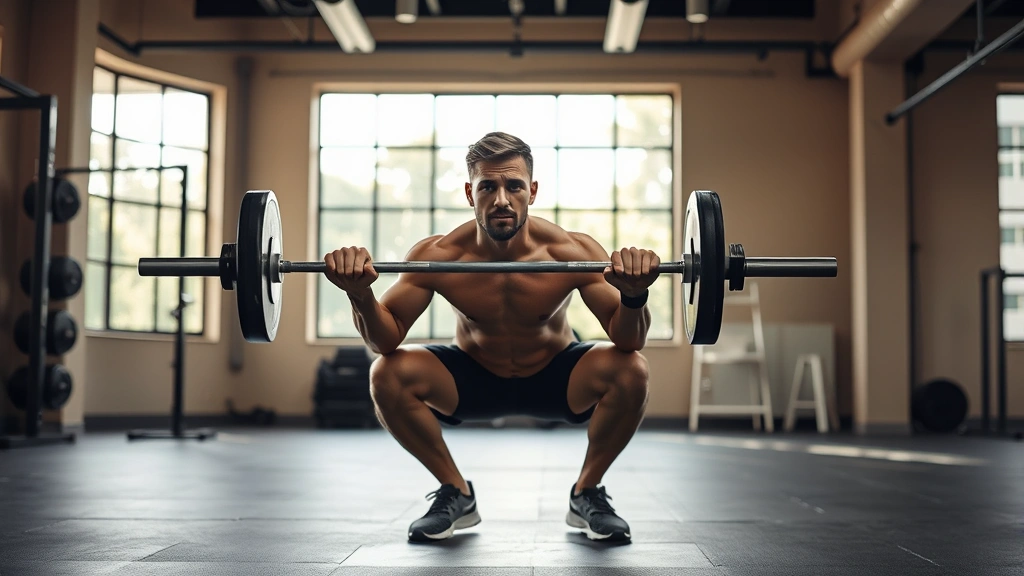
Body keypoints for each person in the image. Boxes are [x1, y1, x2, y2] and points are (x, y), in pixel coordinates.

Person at [323, 132, 659, 544]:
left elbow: (629, 341)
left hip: (555, 377)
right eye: (488, 186)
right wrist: (360, 294)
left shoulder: (570, 251)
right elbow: (386, 339)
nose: (501, 199)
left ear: (531, 191)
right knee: (386, 373)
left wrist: (634, 294)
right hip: (473, 378)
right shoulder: (440, 256)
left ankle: (587, 492)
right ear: (470, 192)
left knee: (632, 370)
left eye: (514, 185)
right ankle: (455, 492)